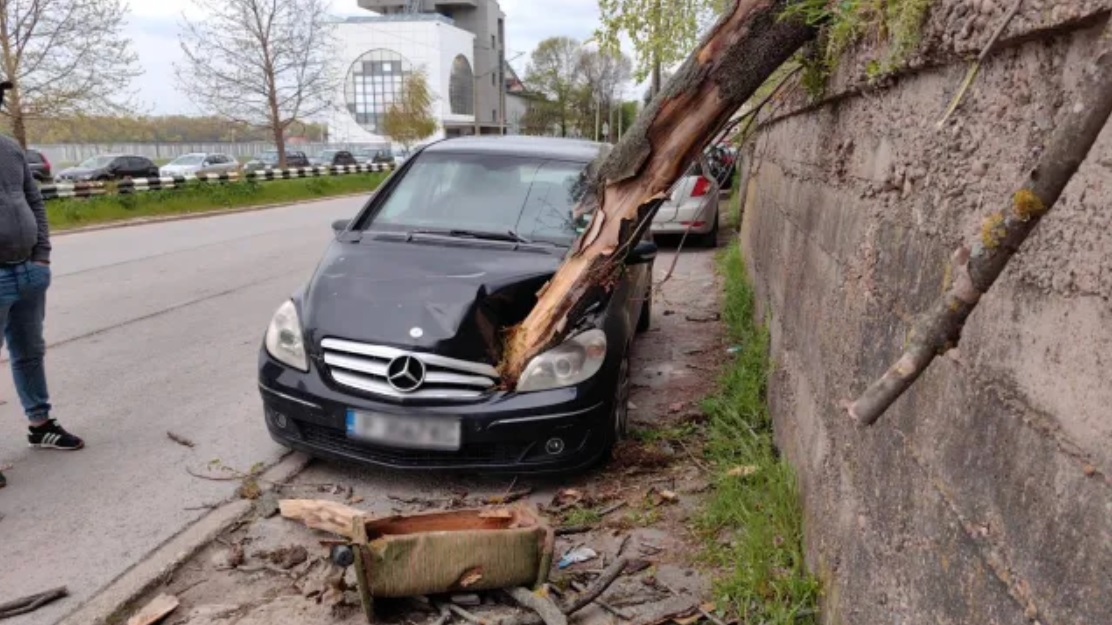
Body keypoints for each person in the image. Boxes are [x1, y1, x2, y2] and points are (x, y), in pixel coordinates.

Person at [0, 81, 83, 490]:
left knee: (29, 352)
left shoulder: (10, 147)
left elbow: (34, 201)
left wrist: (42, 256)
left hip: (28, 270)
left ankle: (40, 425)